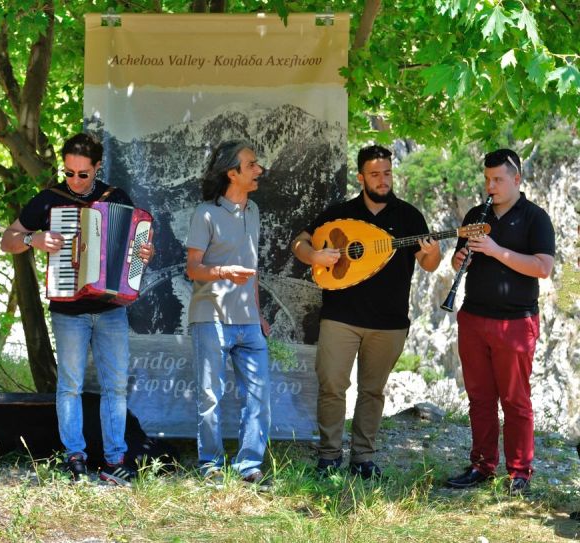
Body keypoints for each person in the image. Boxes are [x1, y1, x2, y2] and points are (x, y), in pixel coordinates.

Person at [0, 133, 153, 485]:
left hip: (112, 308)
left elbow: (136, 250)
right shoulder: (49, 200)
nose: (74, 180)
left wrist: (144, 254)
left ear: (97, 168)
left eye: (83, 174)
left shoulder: (116, 198)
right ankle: (75, 457)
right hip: (68, 309)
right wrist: (31, 239)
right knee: (69, 385)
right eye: (69, 172)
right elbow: (8, 238)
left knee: (116, 385)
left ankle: (115, 460)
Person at [291, 144, 441, 479]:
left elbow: (429, 265)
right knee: (332, 384)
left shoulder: (409, 217)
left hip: (388, 323)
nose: (383, 180)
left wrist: (434, 253)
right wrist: (314, 257)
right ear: (361, 177)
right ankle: (329, 457)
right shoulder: (340, 214)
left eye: (387, 173)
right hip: (341, 317)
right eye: (375, 174)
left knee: (372, 391)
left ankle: (362, 459)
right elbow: (300, 242)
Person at [445, 149, 554, 495]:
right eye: (487, 179)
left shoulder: (535, 218)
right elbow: (455, 261)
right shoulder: (477, 214)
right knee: (479, 397)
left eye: (498, 180)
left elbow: (543, 267)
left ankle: (519, 471)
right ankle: (482, 466)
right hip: (474, 317)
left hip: (515, 322)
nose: (490, 186)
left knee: (515, 398)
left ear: (516, 179)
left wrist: (495, 250)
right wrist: (461, 258)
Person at [185, 140, 272, 488]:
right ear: (232, 173)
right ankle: (210, 465)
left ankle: (249, 464)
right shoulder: (204, 214)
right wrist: (223, 272)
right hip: (211, 318)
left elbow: (251, 268)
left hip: (249, 321)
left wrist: (259, 311)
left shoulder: (254, 211)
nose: (259, 170)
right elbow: (193, 268)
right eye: (251, 165)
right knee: (210, 395)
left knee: (260, 393)